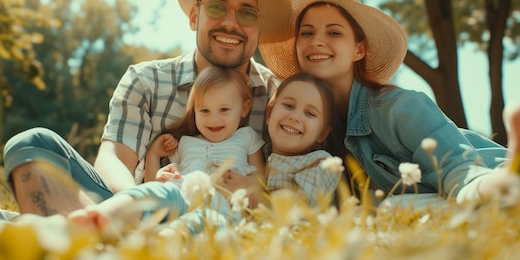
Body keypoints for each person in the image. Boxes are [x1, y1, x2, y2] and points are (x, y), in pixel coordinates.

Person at [1, 0, 279, 216]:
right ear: (195, 16)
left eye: (246, 13)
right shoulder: (146, 80)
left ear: (260, 26)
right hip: (142, 210)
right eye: (218, 7)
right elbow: (114, 159)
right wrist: (140, 206)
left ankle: (78, 236)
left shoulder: (276, 96)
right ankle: (104, 230)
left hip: (225, 224)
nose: (231, 23)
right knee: (29, 144)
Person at [258, 0, 514, 206]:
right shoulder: (309, 130)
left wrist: (492, 187)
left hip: (500, 177)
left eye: (334, 32)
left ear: (359, 49)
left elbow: (459, 170)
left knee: (390, 209)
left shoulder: (398, 107)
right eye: (307, 32)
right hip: (426, 209)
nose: (317, 41)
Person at [68, 72, 344, 232]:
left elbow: (296, 212)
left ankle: (153, 246)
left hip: (223, 212)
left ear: (323, 132)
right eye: (289, 106)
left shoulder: (317, 163)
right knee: (152, 193)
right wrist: (158, 163)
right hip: (181, 192)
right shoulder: (189, 142)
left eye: (310, 113)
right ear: (269, 113)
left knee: (198, 222)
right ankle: (100, 217)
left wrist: (249, 189)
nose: (296, 117)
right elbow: (159, 178)